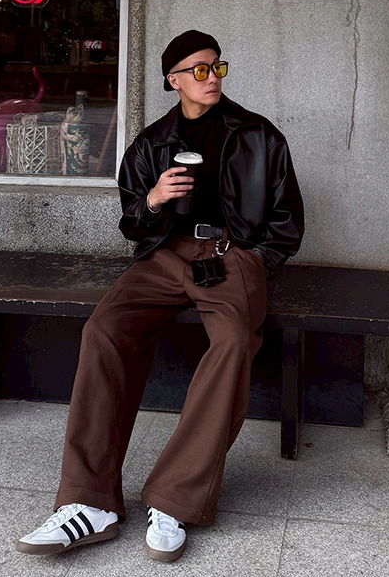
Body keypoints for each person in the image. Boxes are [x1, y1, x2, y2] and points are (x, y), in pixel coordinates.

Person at [16, 30, 304, 562]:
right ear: (173, 80)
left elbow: (287, 219)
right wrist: (153, 200)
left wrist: (255, 262)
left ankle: (174, 498)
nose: (212, 78)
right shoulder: (152, 143)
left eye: (217, 67)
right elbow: (132, 222)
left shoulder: (259, 136)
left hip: (232, 255)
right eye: (199, 70)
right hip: (165, 255)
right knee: (104, 329)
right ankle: (89, 501)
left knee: (234, 341)